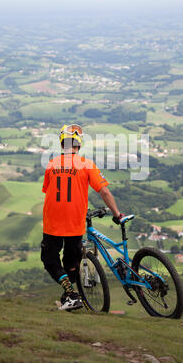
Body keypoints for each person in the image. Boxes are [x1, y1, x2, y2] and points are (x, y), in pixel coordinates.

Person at [41, 124, 123, 311]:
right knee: (71, 264)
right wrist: (117, 214)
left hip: (53, 222)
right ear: (79, 145)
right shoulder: (87, 165)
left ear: (62, 145)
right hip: (75, 222)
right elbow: (104, 192)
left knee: (49, 260)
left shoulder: (52, 164)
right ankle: (70, 295)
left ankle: (70, 294)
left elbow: (48, 190)